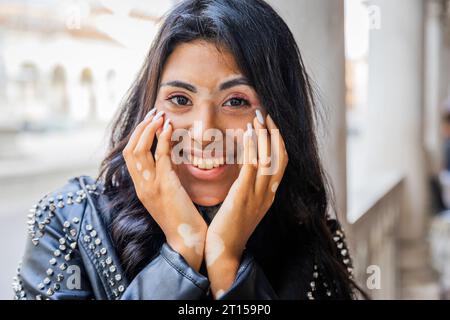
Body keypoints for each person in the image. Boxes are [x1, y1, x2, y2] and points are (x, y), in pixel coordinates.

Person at [13, 0, 361, 300]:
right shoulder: (69, 222)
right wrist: (182, 249)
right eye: (180, 99)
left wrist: (227, 264)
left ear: (278, 119)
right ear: (148, 108)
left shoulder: (310, 241)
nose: (205, 132)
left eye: (236, 101)